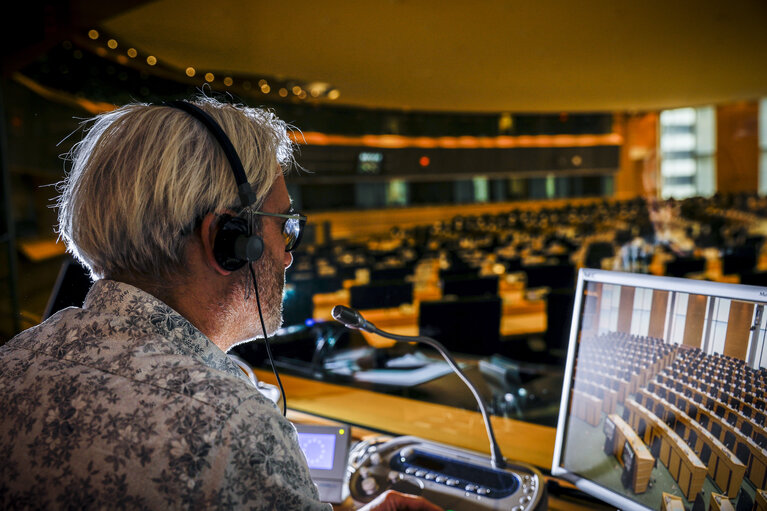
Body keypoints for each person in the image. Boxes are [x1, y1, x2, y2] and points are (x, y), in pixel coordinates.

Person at [0, 97, 440, 511]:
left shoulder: (15, 359)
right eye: (283, 225)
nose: (287, 253)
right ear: (227, 240)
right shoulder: (231, 426)